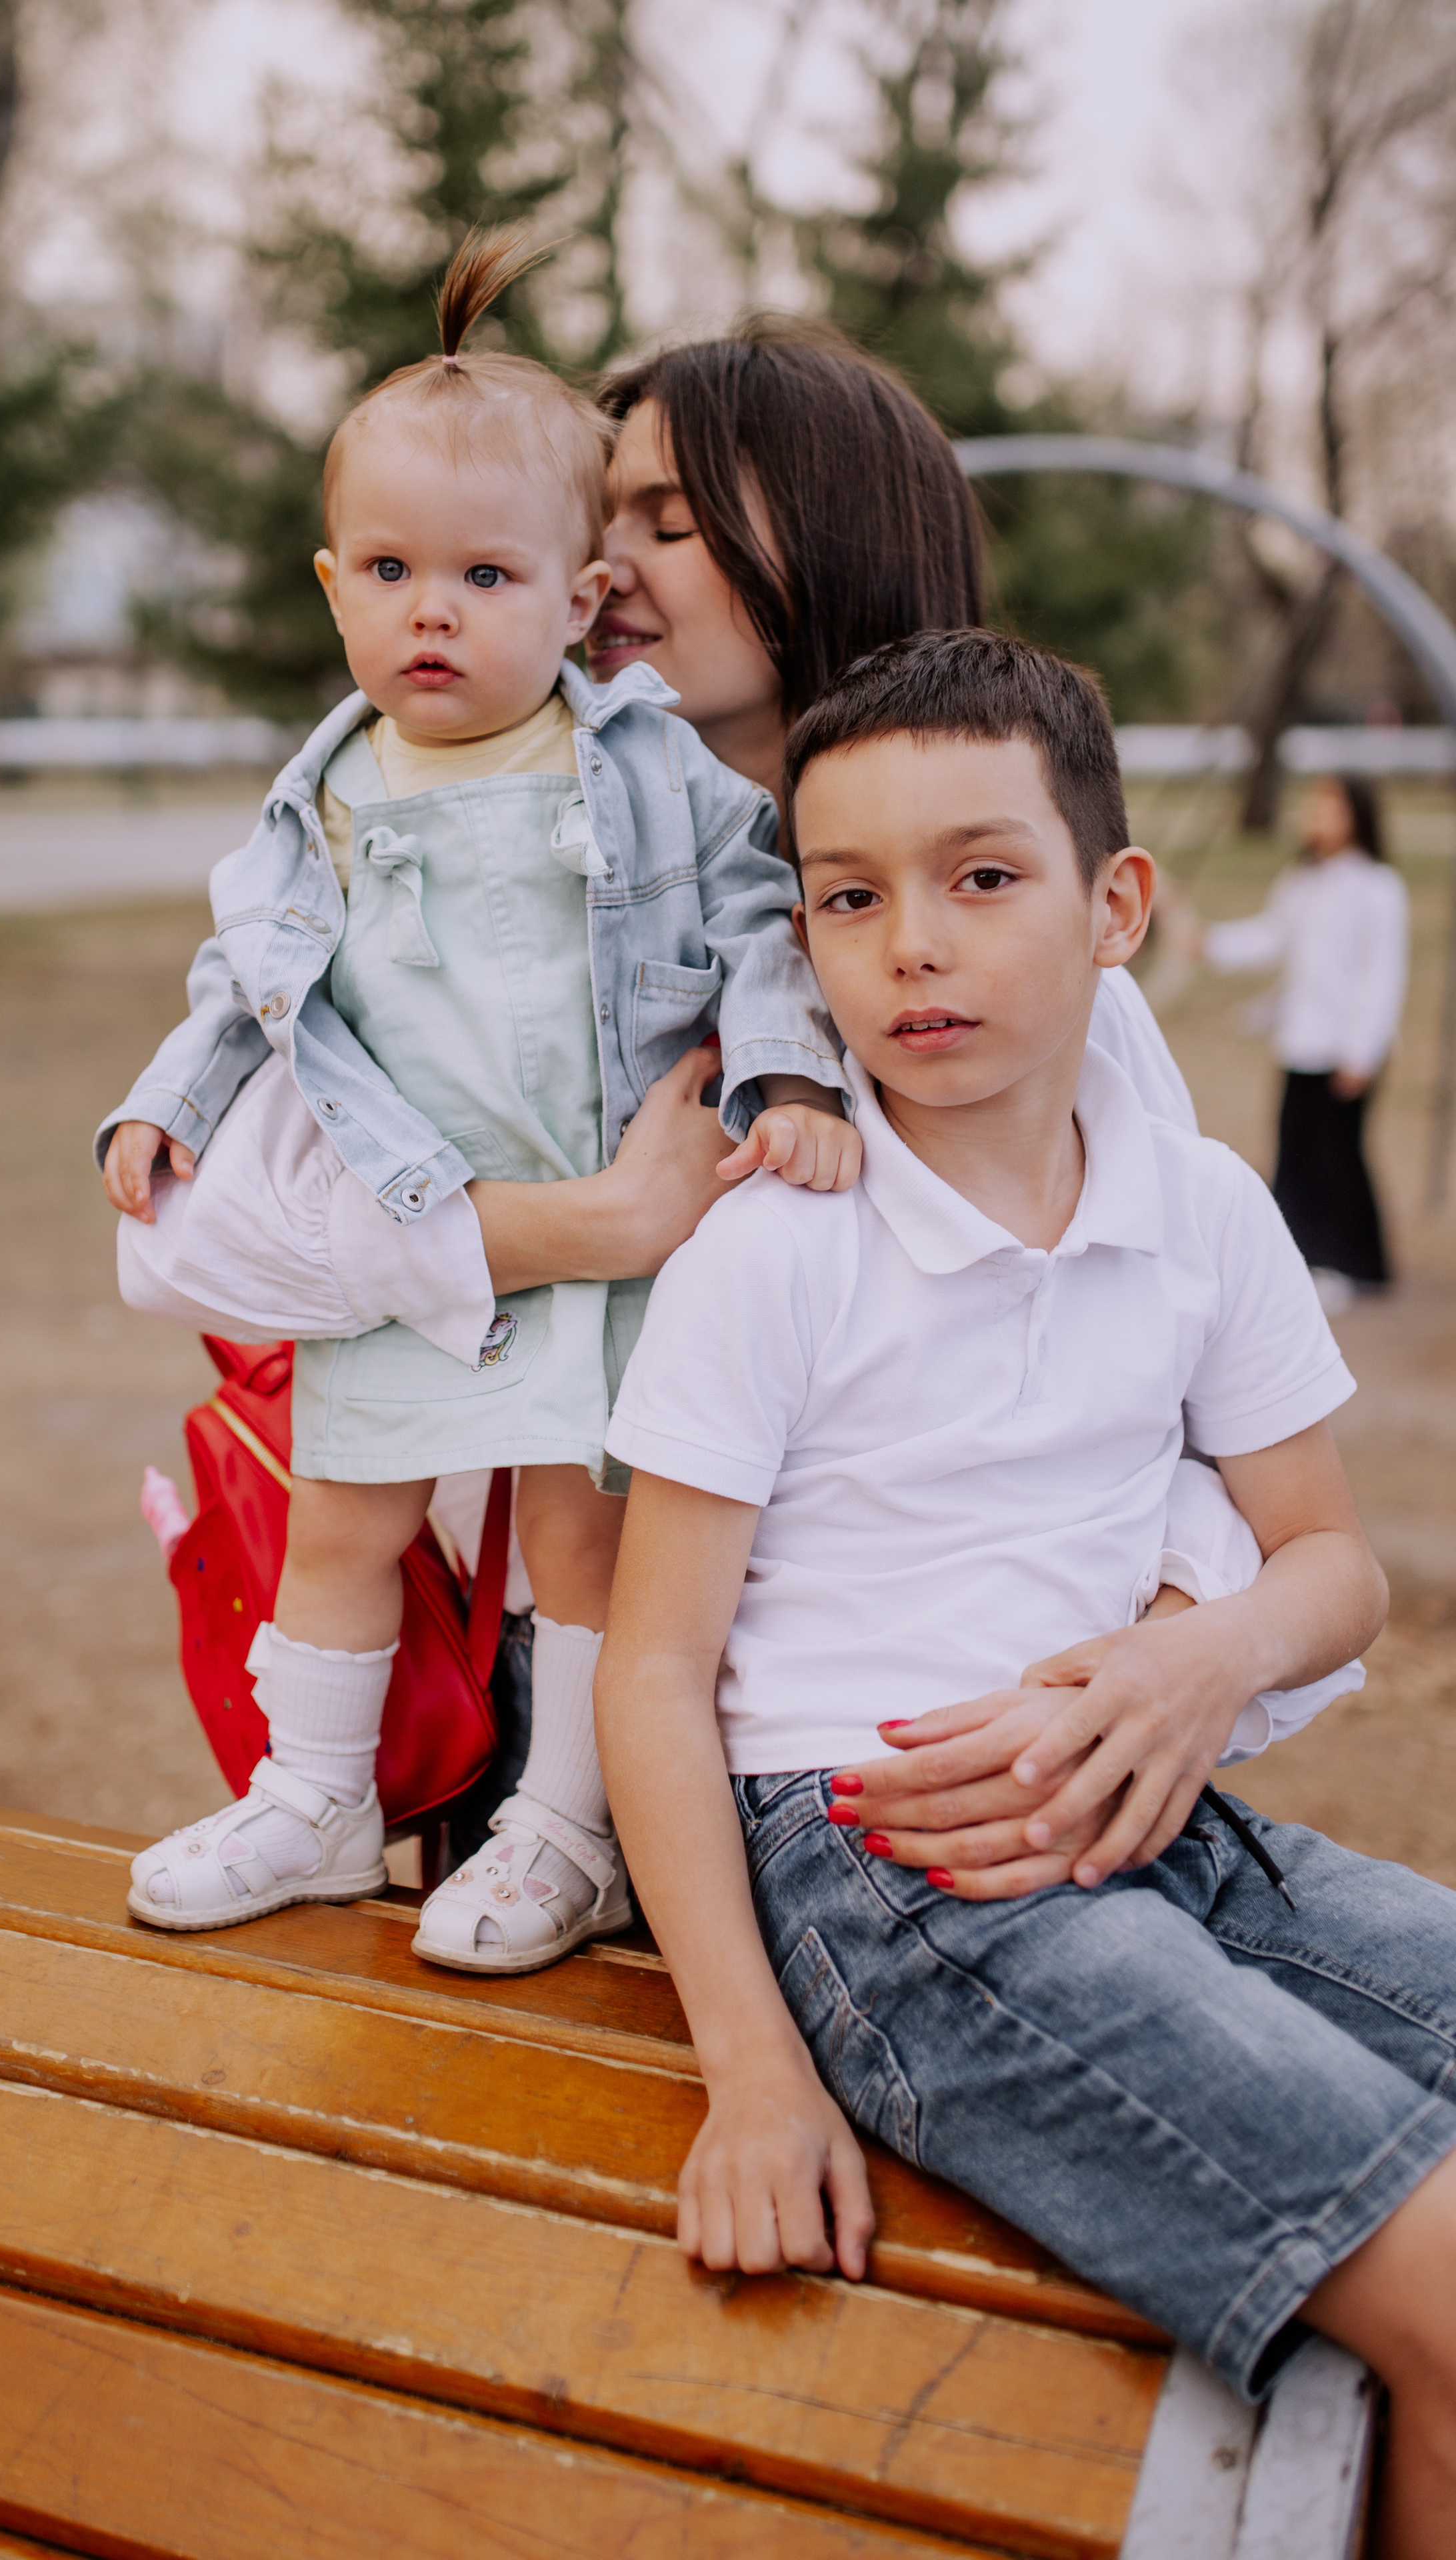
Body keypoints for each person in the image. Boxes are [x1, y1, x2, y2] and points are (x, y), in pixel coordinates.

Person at [595, 631, 1456, 2557]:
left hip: (1164, 1822)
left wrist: (1198, 1662)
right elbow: (652, 1674)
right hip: (901, 1877)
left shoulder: (1202, 1207)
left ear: (1116, 905)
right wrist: (751, 2074)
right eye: (850, 896)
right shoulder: (779, 1251)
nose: (914, 942)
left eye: (983, 877)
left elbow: (1333, 1566)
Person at [99, 232, 856, 1971]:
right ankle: (316, 1797)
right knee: (343, 1518)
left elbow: (762, 929)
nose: (432, 612)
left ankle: (566, 1829)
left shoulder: (646, 769)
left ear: (573, 597)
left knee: (587, 1545)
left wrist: (792, 1074)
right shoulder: (329, 791)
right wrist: (170, 1108)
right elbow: (252, 977)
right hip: (425, 1215)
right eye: (389, 569)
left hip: (601, 1240)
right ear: (332, 584)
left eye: (487, 576)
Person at [1197, 772, 1408, 1314]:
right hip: (1301, 1043)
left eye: (1329, 807)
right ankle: (1303, 1255)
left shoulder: (1379, 888)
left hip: (1346, 1050)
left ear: (1356, 815)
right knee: (1297, 1153)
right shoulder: (1303, 881)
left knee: (1338, 1156)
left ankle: (1351, 1263)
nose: (1315, 816)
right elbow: (1271, 939)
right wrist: (1210, 943)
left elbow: (1381, 977)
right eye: (1313, 806)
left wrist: (1363, 1051)